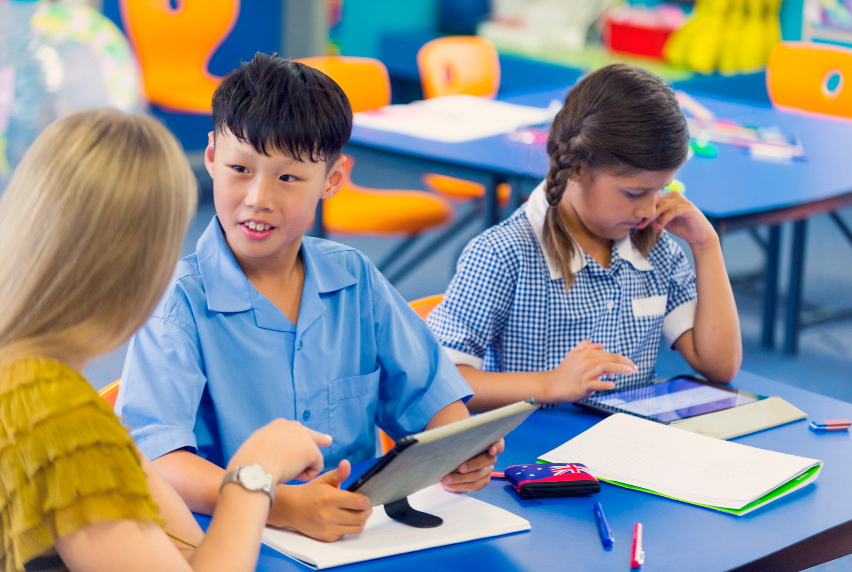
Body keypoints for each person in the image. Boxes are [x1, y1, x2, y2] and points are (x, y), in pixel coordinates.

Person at [115, 53, 501, 542]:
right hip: (229, 540)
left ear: (333, 179)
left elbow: (433, 397)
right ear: (211, 156)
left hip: (358, 535)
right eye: (240, 168)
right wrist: (281, 504)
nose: (259, 197)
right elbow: (157, 463)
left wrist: (457, 449)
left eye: (288, 177)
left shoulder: (355, 278)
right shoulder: (176, 304)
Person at [0, 108, 332, 572]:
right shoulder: (59, 416)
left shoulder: (36, 385)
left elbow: (189, 550)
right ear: (144, 267)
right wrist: (254, 473)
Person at [427, 63, 742, 413]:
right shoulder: (503, 254)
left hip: (624, 449)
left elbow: (719, 366)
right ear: (577, 168)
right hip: (534, 454)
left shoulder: (656, 248)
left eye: (661, 189)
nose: (649, 209)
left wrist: (706, 246)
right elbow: (440, 381)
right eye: (634, 193)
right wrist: (548, 384)